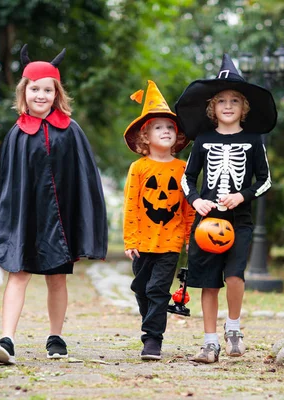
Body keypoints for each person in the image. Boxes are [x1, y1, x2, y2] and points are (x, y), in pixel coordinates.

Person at [0, 45, 108, 364]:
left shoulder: (70, 131)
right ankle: (7, 338)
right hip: (23, 219)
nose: (41, 95)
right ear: (25, 91)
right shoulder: (17, 133)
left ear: (56, 93)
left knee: (56, 279)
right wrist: (1, 222)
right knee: (18, 274)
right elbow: (2, 183)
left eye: (48, 90)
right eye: (35, 89)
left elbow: (84, 180)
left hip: (57, 223)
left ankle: (56, 336)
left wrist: (85, 224)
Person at [175, 54, 277, 363]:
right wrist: (197, 201)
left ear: (244, 107)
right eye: (221, 100)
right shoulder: (203, 140)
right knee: (208, 280)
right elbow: (187, 178)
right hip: (207, 219)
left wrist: (243, 196)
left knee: (234, 275)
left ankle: (233, 328)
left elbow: (266, 180)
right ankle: (209, 342)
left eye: (235, 100)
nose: (228, 105)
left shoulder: (253, 139)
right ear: (212, 107)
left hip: (238, 219)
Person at [123, 80, 195, 360]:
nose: (165, 131)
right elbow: (130, 205)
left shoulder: (183, 168)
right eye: (158, 127)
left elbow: (188, 207)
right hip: (142, 241)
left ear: (177, 136)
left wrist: (189, 238)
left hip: (170, 241)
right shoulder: (138, 168)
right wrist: (130, 239)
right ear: (145, 136)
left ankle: (152, 339)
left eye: (170, 127)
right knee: (141, 288)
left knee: (157, 289)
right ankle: (150, 324)